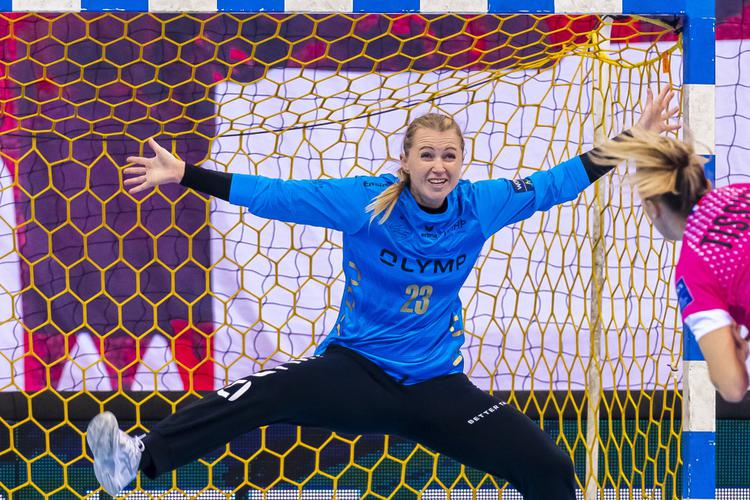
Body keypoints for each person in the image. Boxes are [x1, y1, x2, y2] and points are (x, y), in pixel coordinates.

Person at [86, 87, 678, 498]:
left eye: (449, 156)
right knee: (258, 393)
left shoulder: (481, 206)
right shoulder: (366, 203)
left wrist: (632, 141)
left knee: (547, 465)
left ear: (462, 162)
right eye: (428, 155)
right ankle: (138, 458)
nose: (439, 166)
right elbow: (276, 197)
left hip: (436, 386)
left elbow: (557, 183)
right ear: (406, 161)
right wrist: (185, 174)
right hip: (357, 373)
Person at [590, 127, 750, 403]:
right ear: (706, 183)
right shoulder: (743, 191)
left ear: (653, 208)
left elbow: (732, 386)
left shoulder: (694, 269)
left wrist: (734, 356)